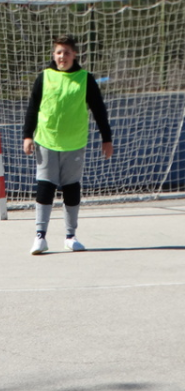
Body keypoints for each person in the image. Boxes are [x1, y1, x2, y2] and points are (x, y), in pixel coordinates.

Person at [23, 34, 113, 255]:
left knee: (71, 188)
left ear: (74, 55)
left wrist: (106, 138)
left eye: (67, 52)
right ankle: (40, 237)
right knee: (45, 186)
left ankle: (71, 236)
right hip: (46, 140)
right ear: (54, 55)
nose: (63, 56)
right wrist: (27, 135)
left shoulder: (85, 79)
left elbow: (99, 110)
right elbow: (33, 108)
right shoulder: (44, 77)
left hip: (74, 143)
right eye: (59, 52)